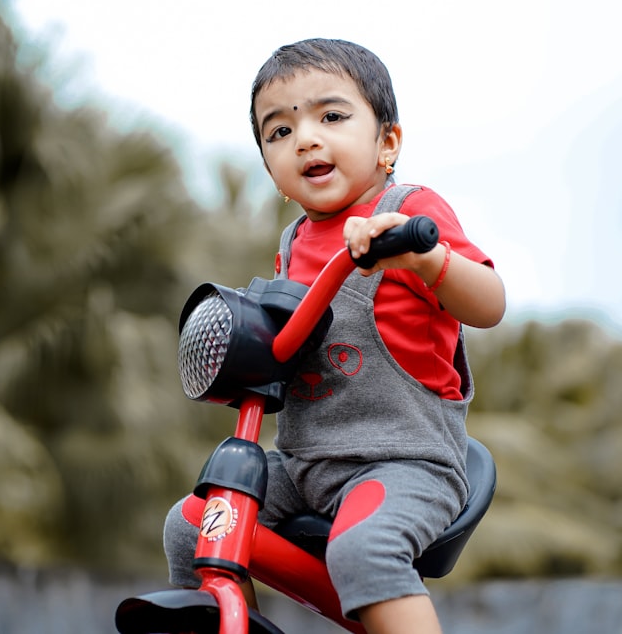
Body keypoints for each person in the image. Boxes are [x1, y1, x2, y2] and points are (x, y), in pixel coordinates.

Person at [163, 38, 506, 634]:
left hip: (403, 462)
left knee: (362, 550)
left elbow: (491, 303)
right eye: (279, 132)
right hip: (302, 468)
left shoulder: (409, 209)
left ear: (387, 143)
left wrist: (424, 258)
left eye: (332, 116)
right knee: (195, 522)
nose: (306, 139)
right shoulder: (293, 243)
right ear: (271, 171)